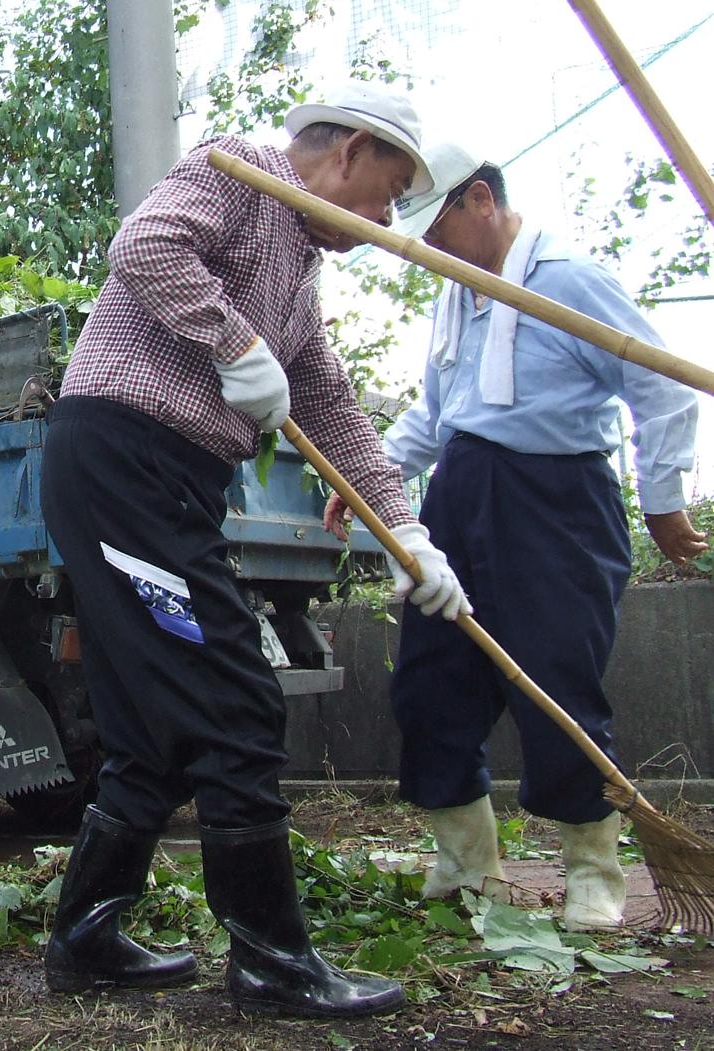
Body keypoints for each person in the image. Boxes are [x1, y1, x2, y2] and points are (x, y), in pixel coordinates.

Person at [40, 81, 470, 1019]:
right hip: (121, 458)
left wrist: (407, 530)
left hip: (167, 480)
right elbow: (144, 244)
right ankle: (273, 961)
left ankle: (85, 933)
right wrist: (233, 342)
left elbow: (334, 412)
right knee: (233, 696)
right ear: (347, 152)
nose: (386, 218)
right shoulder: (241, 173)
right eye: (386, 192)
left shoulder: (300, 279)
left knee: (152, 720)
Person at [324, 142, 704, 931]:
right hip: (459, 501)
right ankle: (468, 860)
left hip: (556, 500)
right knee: (432, 680)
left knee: (558, 682)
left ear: (481, 202)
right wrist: (373, 475)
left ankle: (594, 868)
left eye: (436, 230)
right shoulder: (455, 297)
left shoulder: (568, 279)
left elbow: (660, 383)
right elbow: (437, 413)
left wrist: (664, 499)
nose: (426, 249)